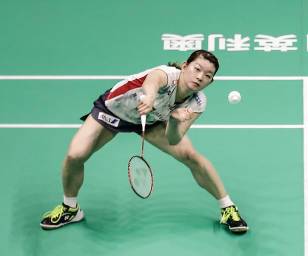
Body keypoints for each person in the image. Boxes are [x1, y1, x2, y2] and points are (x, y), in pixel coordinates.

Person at [40, 50, 248, 233]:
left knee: (190, 155)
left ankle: (227, 208)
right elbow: (154, 79)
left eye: (207, 75)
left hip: (151, 121)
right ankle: (70, 208)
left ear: (211, 82)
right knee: (75, 155)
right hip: (115, 110)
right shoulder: (167, 74)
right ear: (185, 66)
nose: (200, 77)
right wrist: (149, 97)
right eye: (197, 69)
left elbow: (174, 140)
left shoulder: (197, 102)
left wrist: (175, 122)